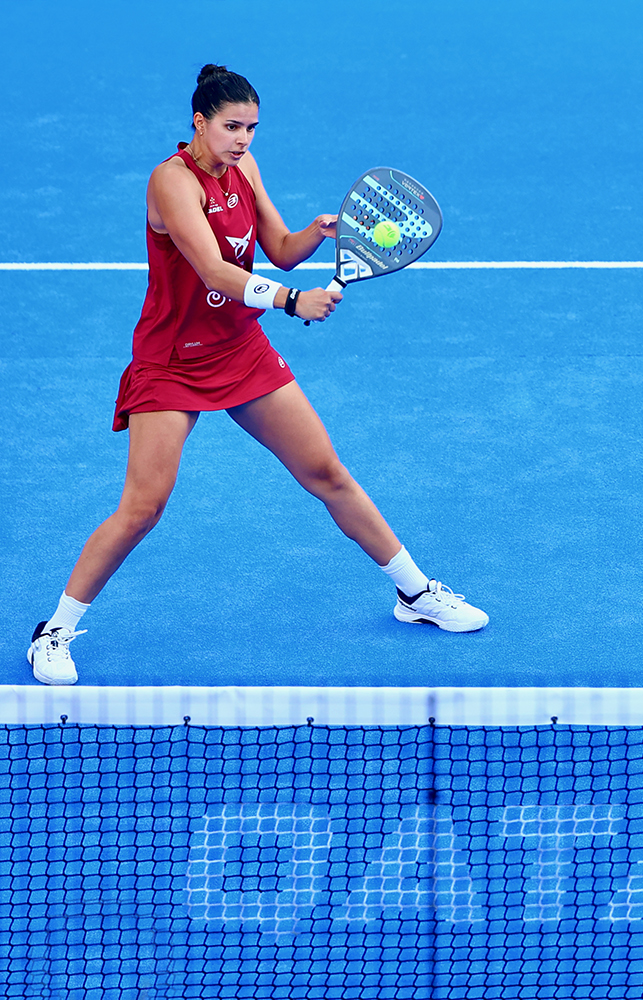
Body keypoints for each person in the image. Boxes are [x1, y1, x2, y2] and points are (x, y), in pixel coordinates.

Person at [25, 65, 487, 686]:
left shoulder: (244, 169)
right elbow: (216, 272)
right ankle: (53, 632)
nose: (242, 139)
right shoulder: (171, 182)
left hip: (239, 348)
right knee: (143, 506)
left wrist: (317, 233)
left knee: (327, 473)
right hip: (172, 360)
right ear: (200, 122)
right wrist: (293, 303)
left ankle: (415, 592)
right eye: (231, 126)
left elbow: (280, 251)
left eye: (251, 128)